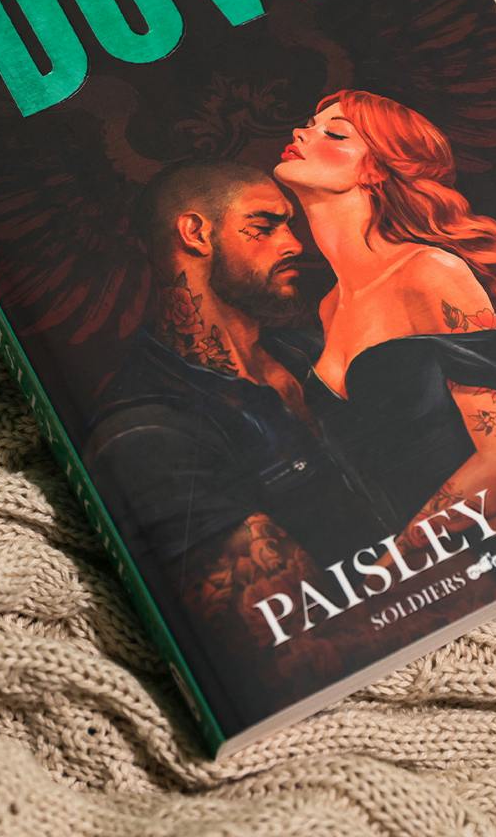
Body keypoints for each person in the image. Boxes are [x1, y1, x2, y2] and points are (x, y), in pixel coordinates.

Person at [84, 160, 377, 702]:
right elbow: (299, 650)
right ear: (196, 234)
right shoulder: (147, 430)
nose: (294, 244)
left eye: (290, 225)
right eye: (264, 227)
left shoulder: (317, 352)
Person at [273, 89, 496, 562]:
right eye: (309, 123)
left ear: (374, 170)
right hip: (434, 567)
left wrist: (393, 566)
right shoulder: (328, 307)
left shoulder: (430, 273)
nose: (301, 133)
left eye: (335, 133)